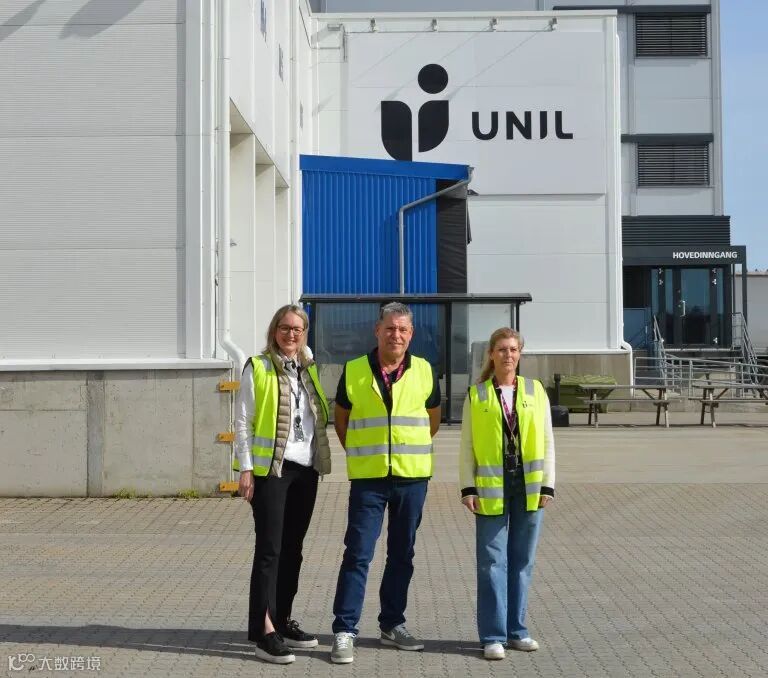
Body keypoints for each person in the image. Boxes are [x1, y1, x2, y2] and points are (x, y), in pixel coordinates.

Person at [330, 302, 441, 664]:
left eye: (403, 329)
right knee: (358, 553)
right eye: (390, 328)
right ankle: (345, 630)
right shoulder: (354, 370)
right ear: (377, 330)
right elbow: (342, 422)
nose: (396, 335)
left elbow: (432, 422)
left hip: (412, 477)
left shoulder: (425, 371)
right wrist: (364, 453)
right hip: (370, 479)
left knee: (402, 554)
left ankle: (392, 624)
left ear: (411, 334)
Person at [234, 304, 332, 664]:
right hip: (271, 471)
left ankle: (281, 620)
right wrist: (246, 469)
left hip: (305, 469)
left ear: (304, 334)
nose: (291, 334)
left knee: (293, 549)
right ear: (274, 331)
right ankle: (264, 632)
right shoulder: (258, 367)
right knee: (270, 550)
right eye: (285, 328)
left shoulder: (308, 368)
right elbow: (242, 422)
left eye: (298, 329)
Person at [459, 327, 555, 661]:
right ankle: (492, 635)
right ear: (491, 354)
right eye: (501, 349)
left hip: (529, 485)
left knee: (522, 560)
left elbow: (547, 439)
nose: (508, 355)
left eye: (513, 349)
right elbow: (467, 446)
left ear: (520, 354)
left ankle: (517, 630)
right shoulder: (478, 395)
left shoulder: (535, 390)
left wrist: (548, 484)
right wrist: (468, 487)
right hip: (491, 487)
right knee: (491, 562)